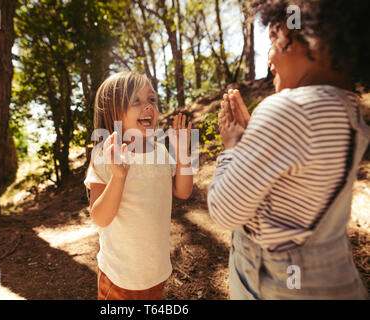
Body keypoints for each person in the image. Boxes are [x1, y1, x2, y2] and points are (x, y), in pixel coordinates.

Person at [208, 0, 370, 299]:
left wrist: (232, 148)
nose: (269, 58)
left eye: (274, 39)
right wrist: (253, 145)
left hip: (272, 283)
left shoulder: (289, 109)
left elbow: (224, 212)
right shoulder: (350, 112)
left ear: (307, 35)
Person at [84, 71, 193, 300]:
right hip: (120, 277)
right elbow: (100, 218)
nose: (148, 107)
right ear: (113, 110)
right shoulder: (105, 155)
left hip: (156, 271)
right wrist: (118, 177)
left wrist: (183, 154)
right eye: (136, 101)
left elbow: (183, 192)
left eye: (152, 99)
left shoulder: (161, 152)